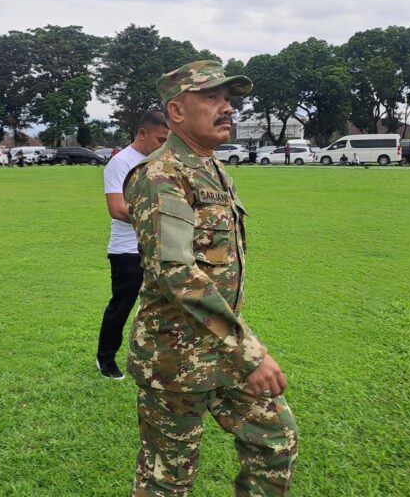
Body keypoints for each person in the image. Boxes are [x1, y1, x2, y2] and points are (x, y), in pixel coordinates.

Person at [123, 60, 297, 496]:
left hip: (220, 349)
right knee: (168, 478)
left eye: (228, 99)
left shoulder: (213, 170)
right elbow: (175, 271)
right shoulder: (160, 175)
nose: (228, 108)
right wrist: (249, 352)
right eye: (212, 97)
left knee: (276, 438)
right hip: (174, 360)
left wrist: (236, 348)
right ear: (177, 111)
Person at [96, 111, 170, 380]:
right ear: (142, 133)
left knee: (162, 307)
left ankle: (156, 359)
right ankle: (105, 359)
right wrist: (159, 216)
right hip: (127, 250)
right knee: (122, 306)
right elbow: (117, 209)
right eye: (160, 139)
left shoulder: (161, 162)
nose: (163, 146)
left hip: (159, 247)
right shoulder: (121, 163)